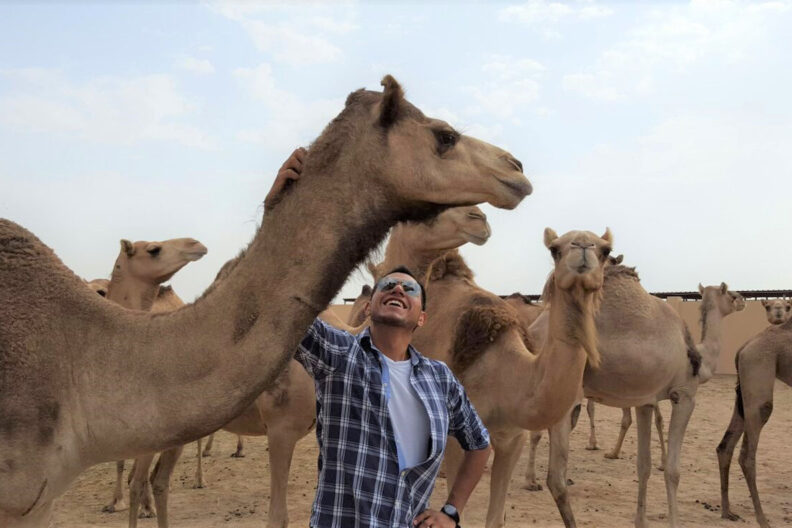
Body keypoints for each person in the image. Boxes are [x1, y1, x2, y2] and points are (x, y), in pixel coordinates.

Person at [268, 149, 491, 528]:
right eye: (388, 284)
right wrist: (277, 213)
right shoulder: (337, 355)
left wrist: (451, 511)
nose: (398, 289)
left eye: (409, 288)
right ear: (369, 306)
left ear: (421, 317)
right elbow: (278, 296)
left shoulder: (440, 379)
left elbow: (479, 443)